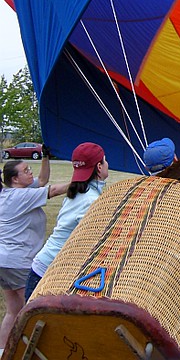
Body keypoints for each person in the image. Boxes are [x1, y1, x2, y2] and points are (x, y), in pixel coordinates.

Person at [0, 147, 69, 350]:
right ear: (15, 179)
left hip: (5, 262)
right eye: (26, 170)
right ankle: (27, 351)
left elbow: (42, 180)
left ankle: (3, 351)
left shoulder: (11, 193)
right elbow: (54, 190)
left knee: (13, 311)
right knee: (32, 312)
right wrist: (85, 180)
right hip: (18, 262)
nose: (31, 172)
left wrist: (46, 156)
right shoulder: (21, 197)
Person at [25, 142, 109, 301]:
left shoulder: (79, 192)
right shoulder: (89, 199)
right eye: (105, 160)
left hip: (44, 269)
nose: (107, 164)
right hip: (49, 275)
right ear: (99, 167)